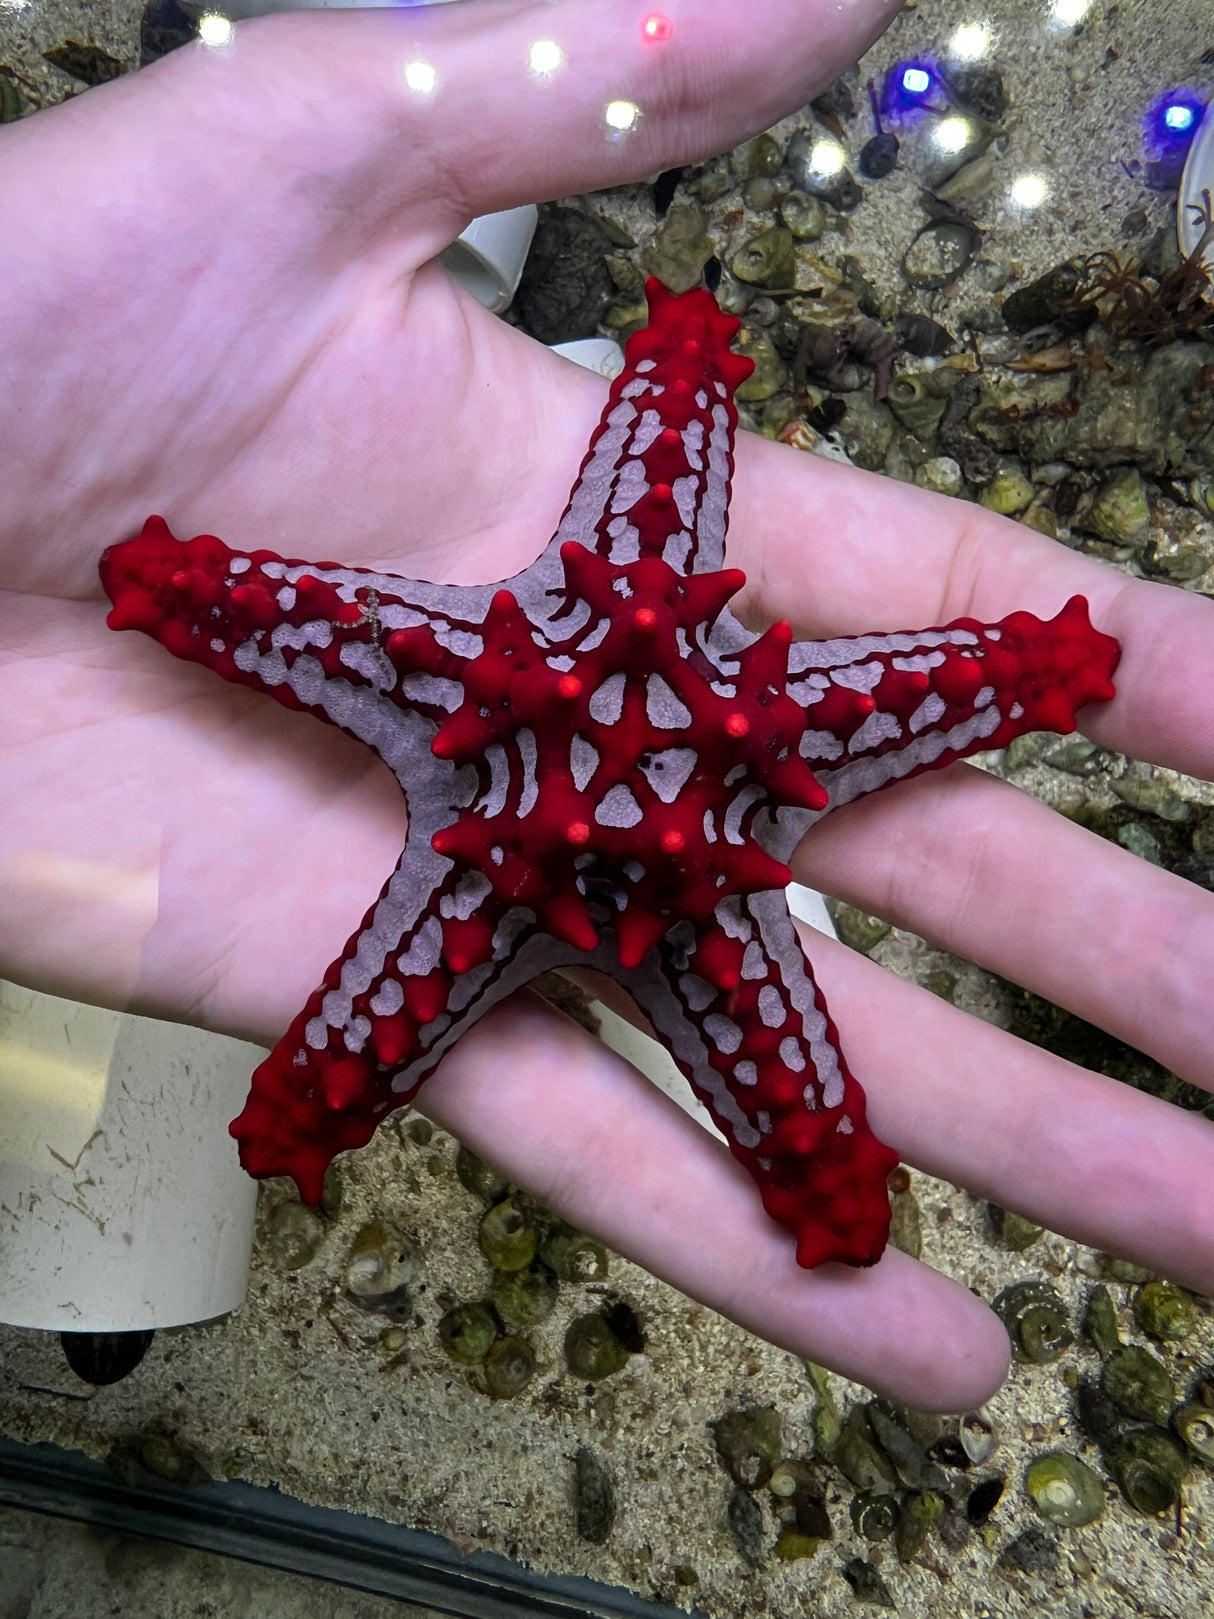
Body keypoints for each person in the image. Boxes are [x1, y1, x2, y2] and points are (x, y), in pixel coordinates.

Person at [0, 0, 1210, 1412]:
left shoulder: (503, 677)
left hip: (563, 835)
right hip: (635, 844)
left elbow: (322, 637)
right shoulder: (659, 669)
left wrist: (175, 585)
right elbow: (312, 617)